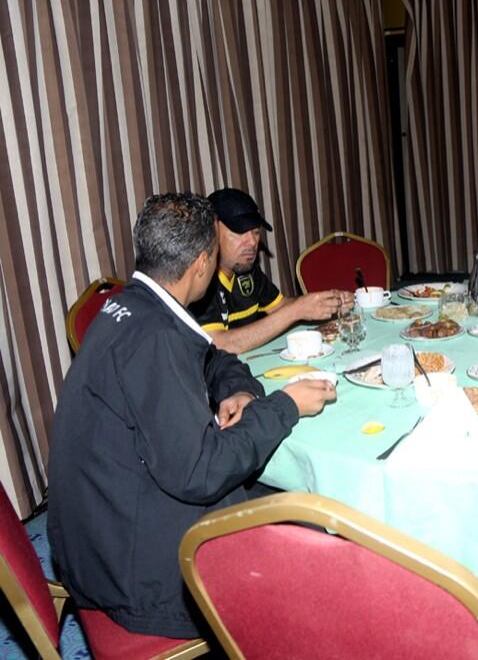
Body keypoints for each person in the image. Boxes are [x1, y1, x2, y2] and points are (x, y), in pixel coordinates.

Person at [48, 192, 337, 639]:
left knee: (276, 483)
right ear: (202, 263)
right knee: (317, 524)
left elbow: (208, 354)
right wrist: (285, 405)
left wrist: (238, 389)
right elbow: (200, 473)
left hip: (105, 524)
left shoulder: (133, 307)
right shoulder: (155, 338)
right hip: (134, 577)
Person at [189, 187, 353, 354]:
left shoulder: (246, 269)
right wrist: (296, 310)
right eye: (240, 232)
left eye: (255, 232)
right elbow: (220, 344)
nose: (252, 242)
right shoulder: (199, 280)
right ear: (212, 232)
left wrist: (324, 303)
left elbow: (280, 306)